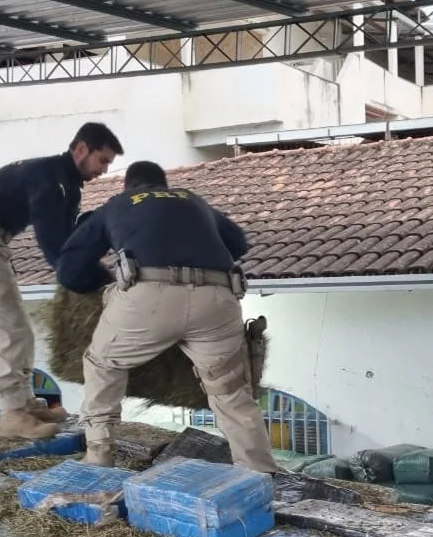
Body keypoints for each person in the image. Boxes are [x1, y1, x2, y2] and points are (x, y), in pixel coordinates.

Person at [55, 160, 277, 474]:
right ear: (165, 185)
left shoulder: (118, 204)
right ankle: (259, 473)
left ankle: (99, 459)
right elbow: (238, 244)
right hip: (218, 298)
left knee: (102, 364)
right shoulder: (193, 201)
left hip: (149, 296)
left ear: (128, 186)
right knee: (231, 392)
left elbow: (70, 267)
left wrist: (91, 285)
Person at [0, 123, 123, 440]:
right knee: (9, 331)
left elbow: (68, 240)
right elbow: (56, 249)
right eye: (103, 160)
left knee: (18, 330)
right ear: (81, 149)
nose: (104, 170)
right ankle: (12, 416)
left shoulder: (66, 183)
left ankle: (24, 404)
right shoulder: (49, 179)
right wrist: (93, 282)